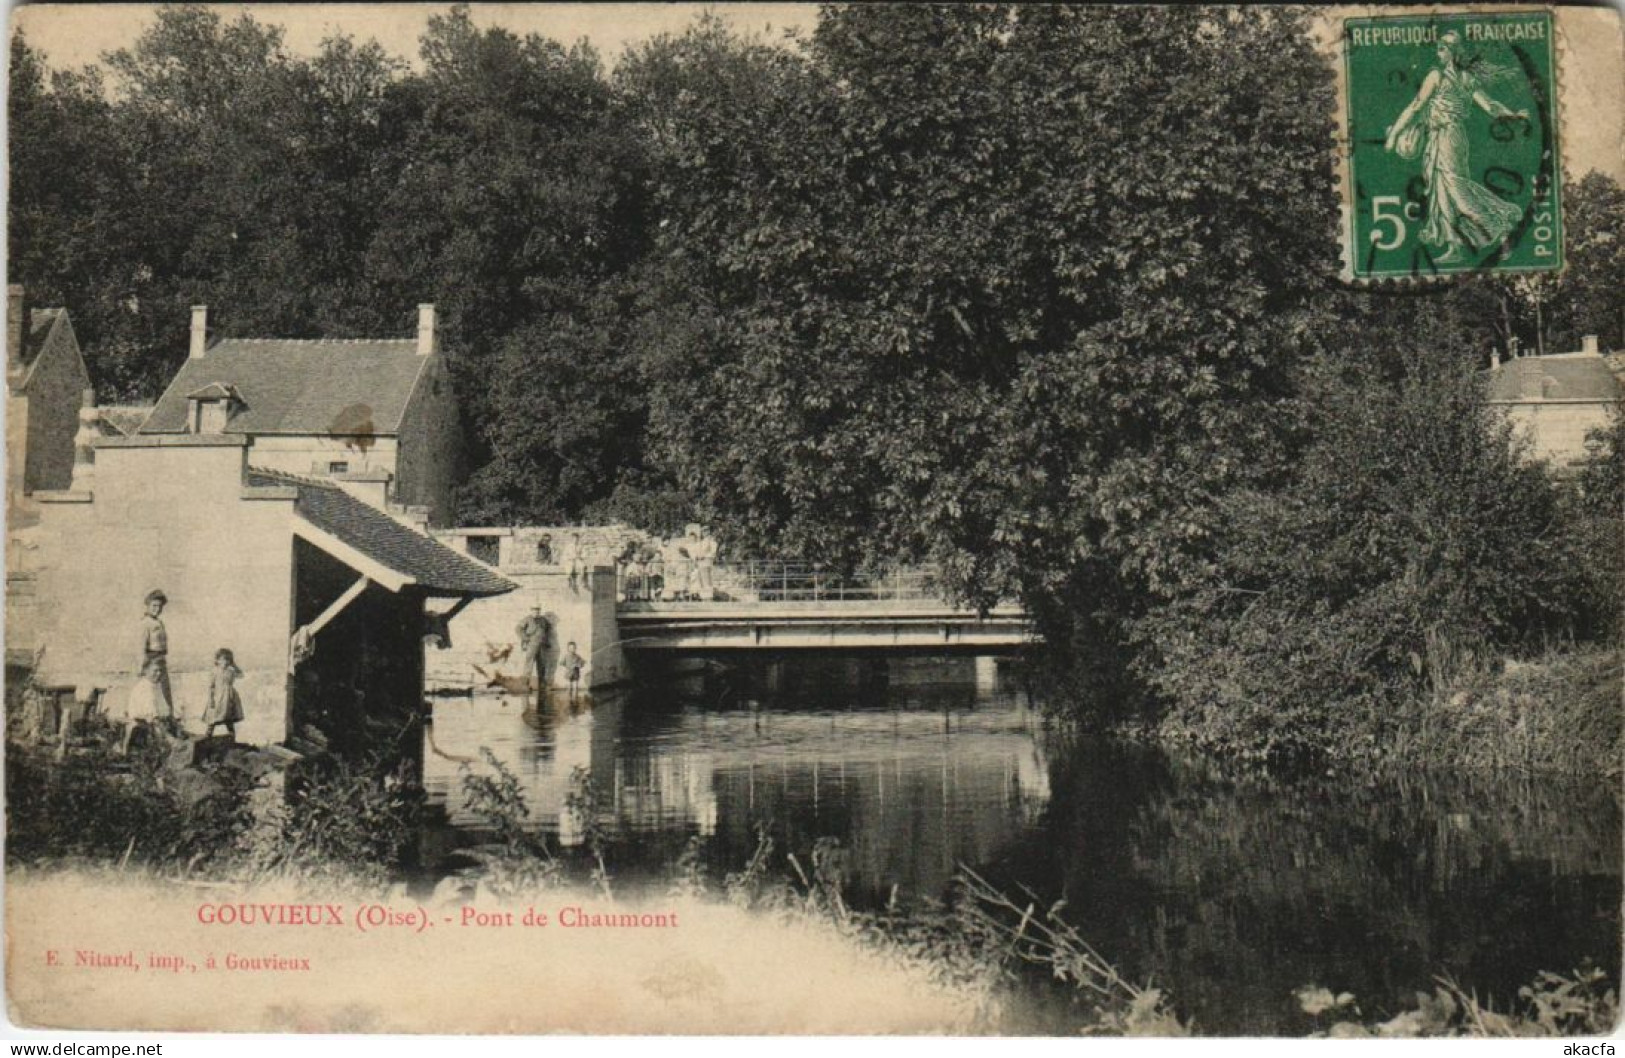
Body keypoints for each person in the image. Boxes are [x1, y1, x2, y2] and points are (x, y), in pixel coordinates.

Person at [1384, 31, 1527, 263]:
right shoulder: (1467, 79)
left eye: (1442, 48)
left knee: (1456, 190)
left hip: (1446, 137)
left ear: (1452, 52)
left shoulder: (1436, 75)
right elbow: (1491, 106)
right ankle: (1455, 248)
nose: (1438, 52)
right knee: (1442, 192)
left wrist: (1395, 135)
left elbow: (1416, 106)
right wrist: (1513, 115)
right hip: (1449, 137)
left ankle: (1500, 229)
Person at [120, 589, 175, 754]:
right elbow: (141, 647)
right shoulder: (144, 624)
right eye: (154, 605)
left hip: (160, 660)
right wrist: (142, 668)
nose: (157, 608)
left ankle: (167, 731)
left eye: (159, 606)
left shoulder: (159, 623)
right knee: (147, 697)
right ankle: (153, 736)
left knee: (164, 697)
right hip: (151, 661)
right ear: (148, 605)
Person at [202, 648, 245, 740]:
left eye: (228, 660)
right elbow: (211, 687)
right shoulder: (215, 671)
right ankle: (207, 738)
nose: (225, 662)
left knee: (229, 719)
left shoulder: (231, 671)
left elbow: (241, 675)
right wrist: (211, 699)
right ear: (217, 660)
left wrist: (234, 665)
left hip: (229, 698)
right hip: (218, 698)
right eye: (223, 659)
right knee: (213, 718)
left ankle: (232, 738)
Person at [516, 608, 550, 702]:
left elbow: (547, 630)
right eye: (534, 610)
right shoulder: (527, 619)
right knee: (529, 665)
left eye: (538, 610)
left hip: (542, 645)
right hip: (531, 644)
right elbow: (518, 629)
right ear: (531, 611)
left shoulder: (543, 620)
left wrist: (546, 640)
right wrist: (526, 638)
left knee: (542, 665)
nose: (536, 612)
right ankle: (525, 685)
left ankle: (542, 686)